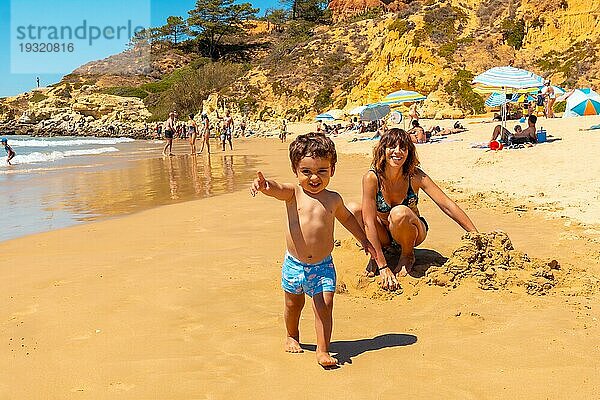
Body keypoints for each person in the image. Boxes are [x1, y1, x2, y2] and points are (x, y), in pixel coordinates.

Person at [250, 132, 375, 367]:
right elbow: (278, 188)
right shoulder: (293, 194)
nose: (314, 177)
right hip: (294, 265)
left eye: (321, 171)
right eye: (306, 172)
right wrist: (266, 186)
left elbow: (348, 219)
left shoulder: (333, 199)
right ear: (296, 170)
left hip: (323, 265)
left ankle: (322, 349)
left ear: (332, 169)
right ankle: (292, 335)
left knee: (324, 305)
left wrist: (364, 239)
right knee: (292, 304)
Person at [349, 128, 478, 290]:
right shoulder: (372, 178)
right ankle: (376, 253)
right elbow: (368, 222)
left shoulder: (415, 176)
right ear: (383, 150)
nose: (398, 152)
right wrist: (381, 264)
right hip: (385, 235)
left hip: (413, 231)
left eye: (403, 148)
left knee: (399, 212)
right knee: (353, 210)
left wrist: (475, 234)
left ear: (409, 152)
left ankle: (407, 254)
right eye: (392, 147)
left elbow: (446, 204)